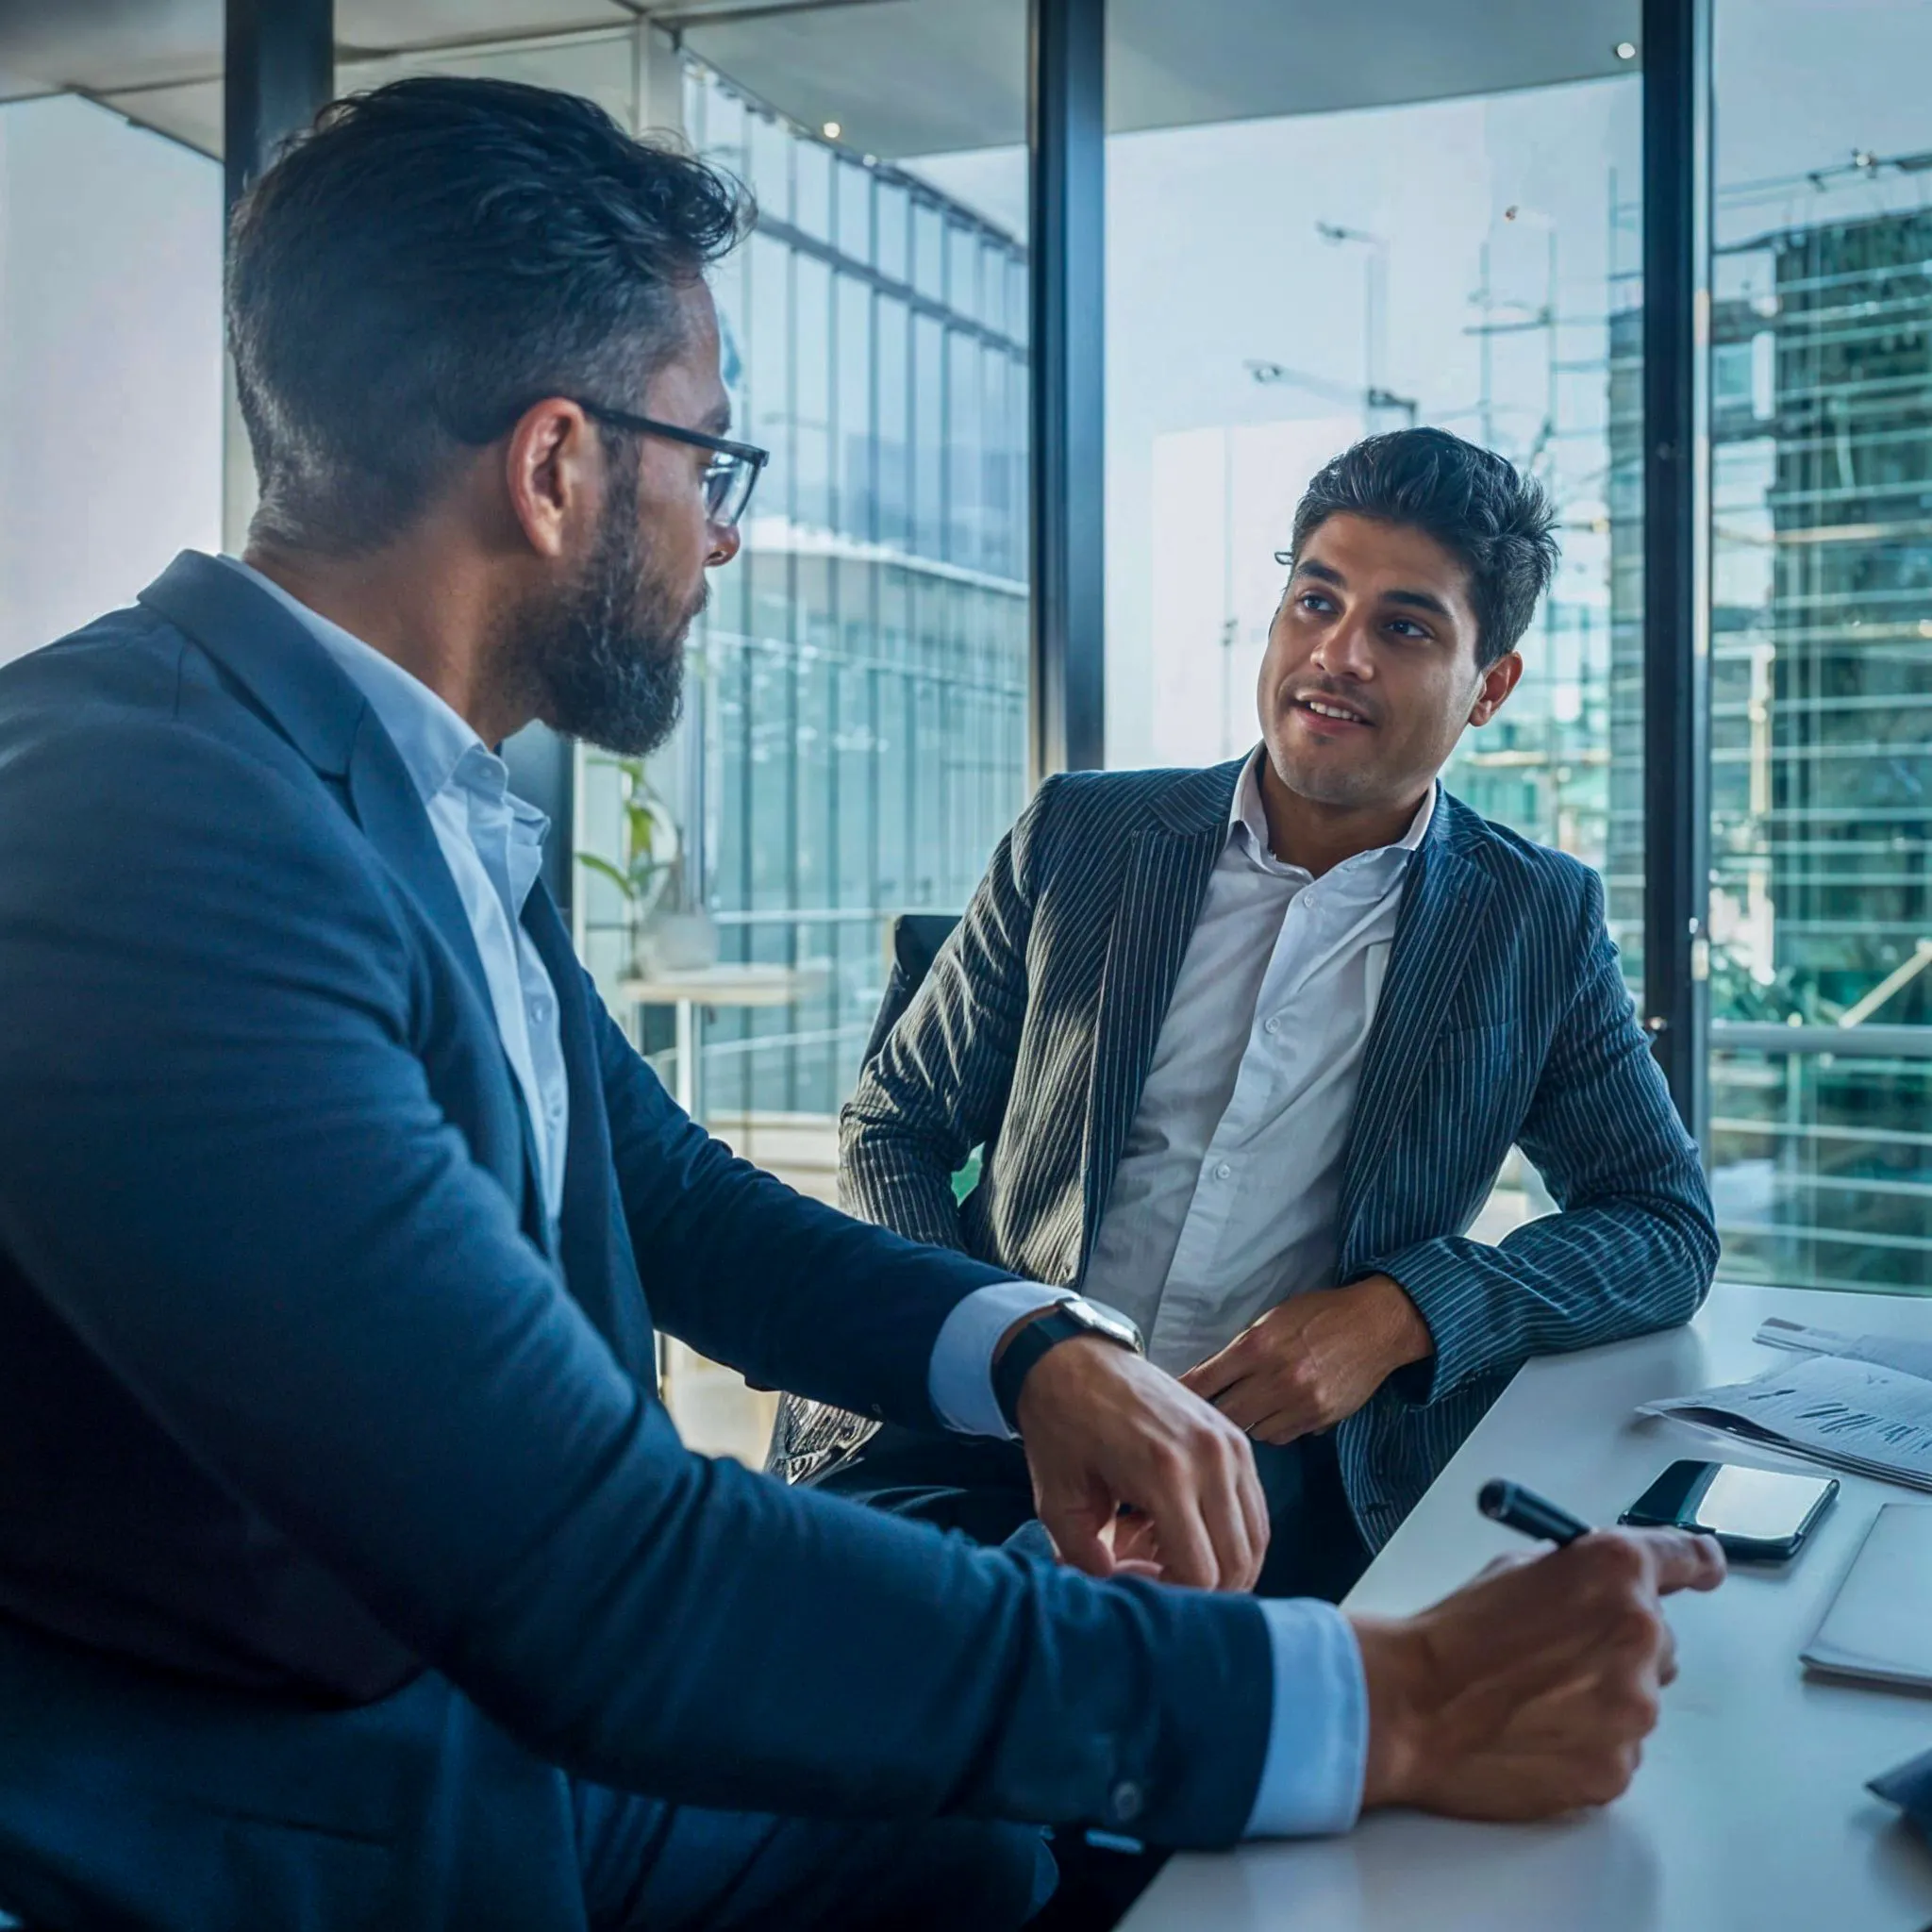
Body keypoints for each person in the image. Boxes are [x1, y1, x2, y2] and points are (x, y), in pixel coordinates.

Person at [0, 81, 1724, 1932]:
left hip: (517, 1704)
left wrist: (1038, 1350)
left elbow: (667, 1194)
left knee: (971, 1859)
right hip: (326, 1802)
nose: (718, 539)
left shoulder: (384, 782)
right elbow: (594, 1565)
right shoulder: (126, 823)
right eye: (708, 462)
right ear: (559, 466)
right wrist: (1382, 1700)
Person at [791, 427, 1718, 1604]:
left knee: (1101, 1677)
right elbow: (894, 1119)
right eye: (1313, 600)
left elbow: (1661, 1224)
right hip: (976, 1432)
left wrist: (1398, 1314)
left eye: (1403, 626)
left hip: (1268, 1479)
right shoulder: (1080, 836)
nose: (1337, 654)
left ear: (1489, 687)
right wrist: (990, 1347)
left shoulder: (1531, 922)